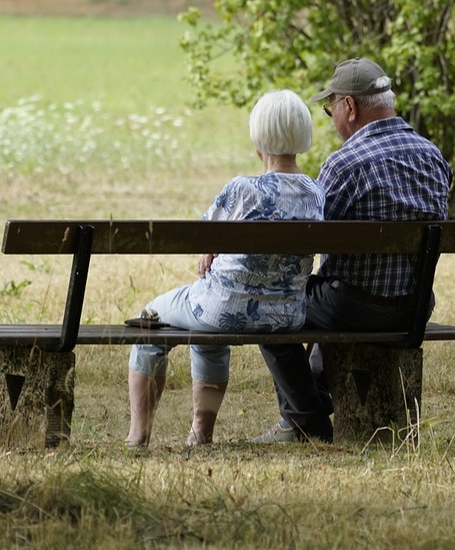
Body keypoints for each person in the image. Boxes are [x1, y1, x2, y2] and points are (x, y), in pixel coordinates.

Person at [253, 58, 453, 444]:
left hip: (354, 309)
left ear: (349, 106)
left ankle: (306, 421)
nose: (332, 119)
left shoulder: (344, 164)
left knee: (268, 303)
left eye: (330, 110)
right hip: (414, 307)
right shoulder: (434, 158)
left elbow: (310, 242)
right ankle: (309, 405)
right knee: (330, 290)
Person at [125, 89, 326, 449]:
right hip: (286, 316)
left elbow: (202, 236)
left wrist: (210, 250)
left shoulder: (243, 190)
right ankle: (200, 434)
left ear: (259, 139)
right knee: (205, 327)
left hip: (223, 310)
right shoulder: (315, 192)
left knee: (149, 320)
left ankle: (138, 436)